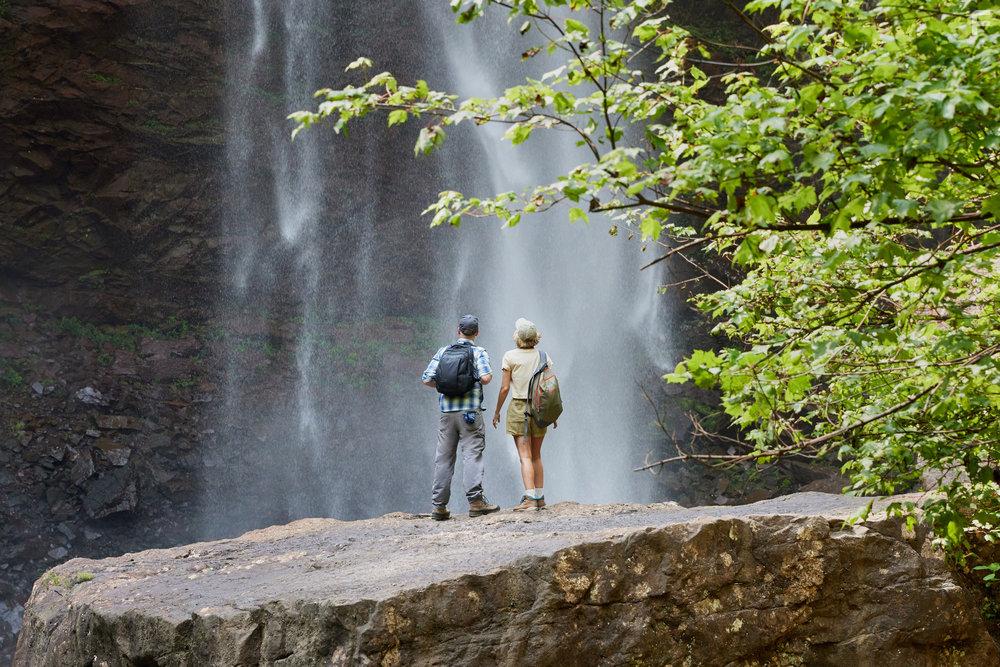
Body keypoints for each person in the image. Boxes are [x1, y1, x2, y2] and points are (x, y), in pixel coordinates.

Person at [421, 314, 500, 521]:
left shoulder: (443, 351)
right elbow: (486, 378)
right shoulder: (478, 352)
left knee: (444, 458)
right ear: (477, 333)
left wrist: (447, 384)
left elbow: (426, 379)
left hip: (447, 413)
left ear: (458, 331)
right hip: (470, 414)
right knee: (472, 455)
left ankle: (439, 507)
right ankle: (475, 502)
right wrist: (470, 380)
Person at [492, 318, 556, 511]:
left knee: (525, 456)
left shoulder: (509, 357)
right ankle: (540, 496)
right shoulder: (543, 356)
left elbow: (504, 388)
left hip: (519, 408)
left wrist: (497, 412)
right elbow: (549, 388)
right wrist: (553, 414)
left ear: (518, 337)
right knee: (536, 455)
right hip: (539, 408)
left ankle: (529, 498)